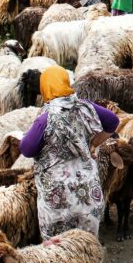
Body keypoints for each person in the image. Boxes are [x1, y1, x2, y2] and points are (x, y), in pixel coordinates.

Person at [20, 66, 120, 240]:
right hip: (86, 190)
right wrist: (94, 143)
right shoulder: (86, 107)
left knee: (59, 246)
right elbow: (113, 121)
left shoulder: (45, 119)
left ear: (45, 88)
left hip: (58, 196)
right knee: (86, 243)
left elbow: (27, 149)